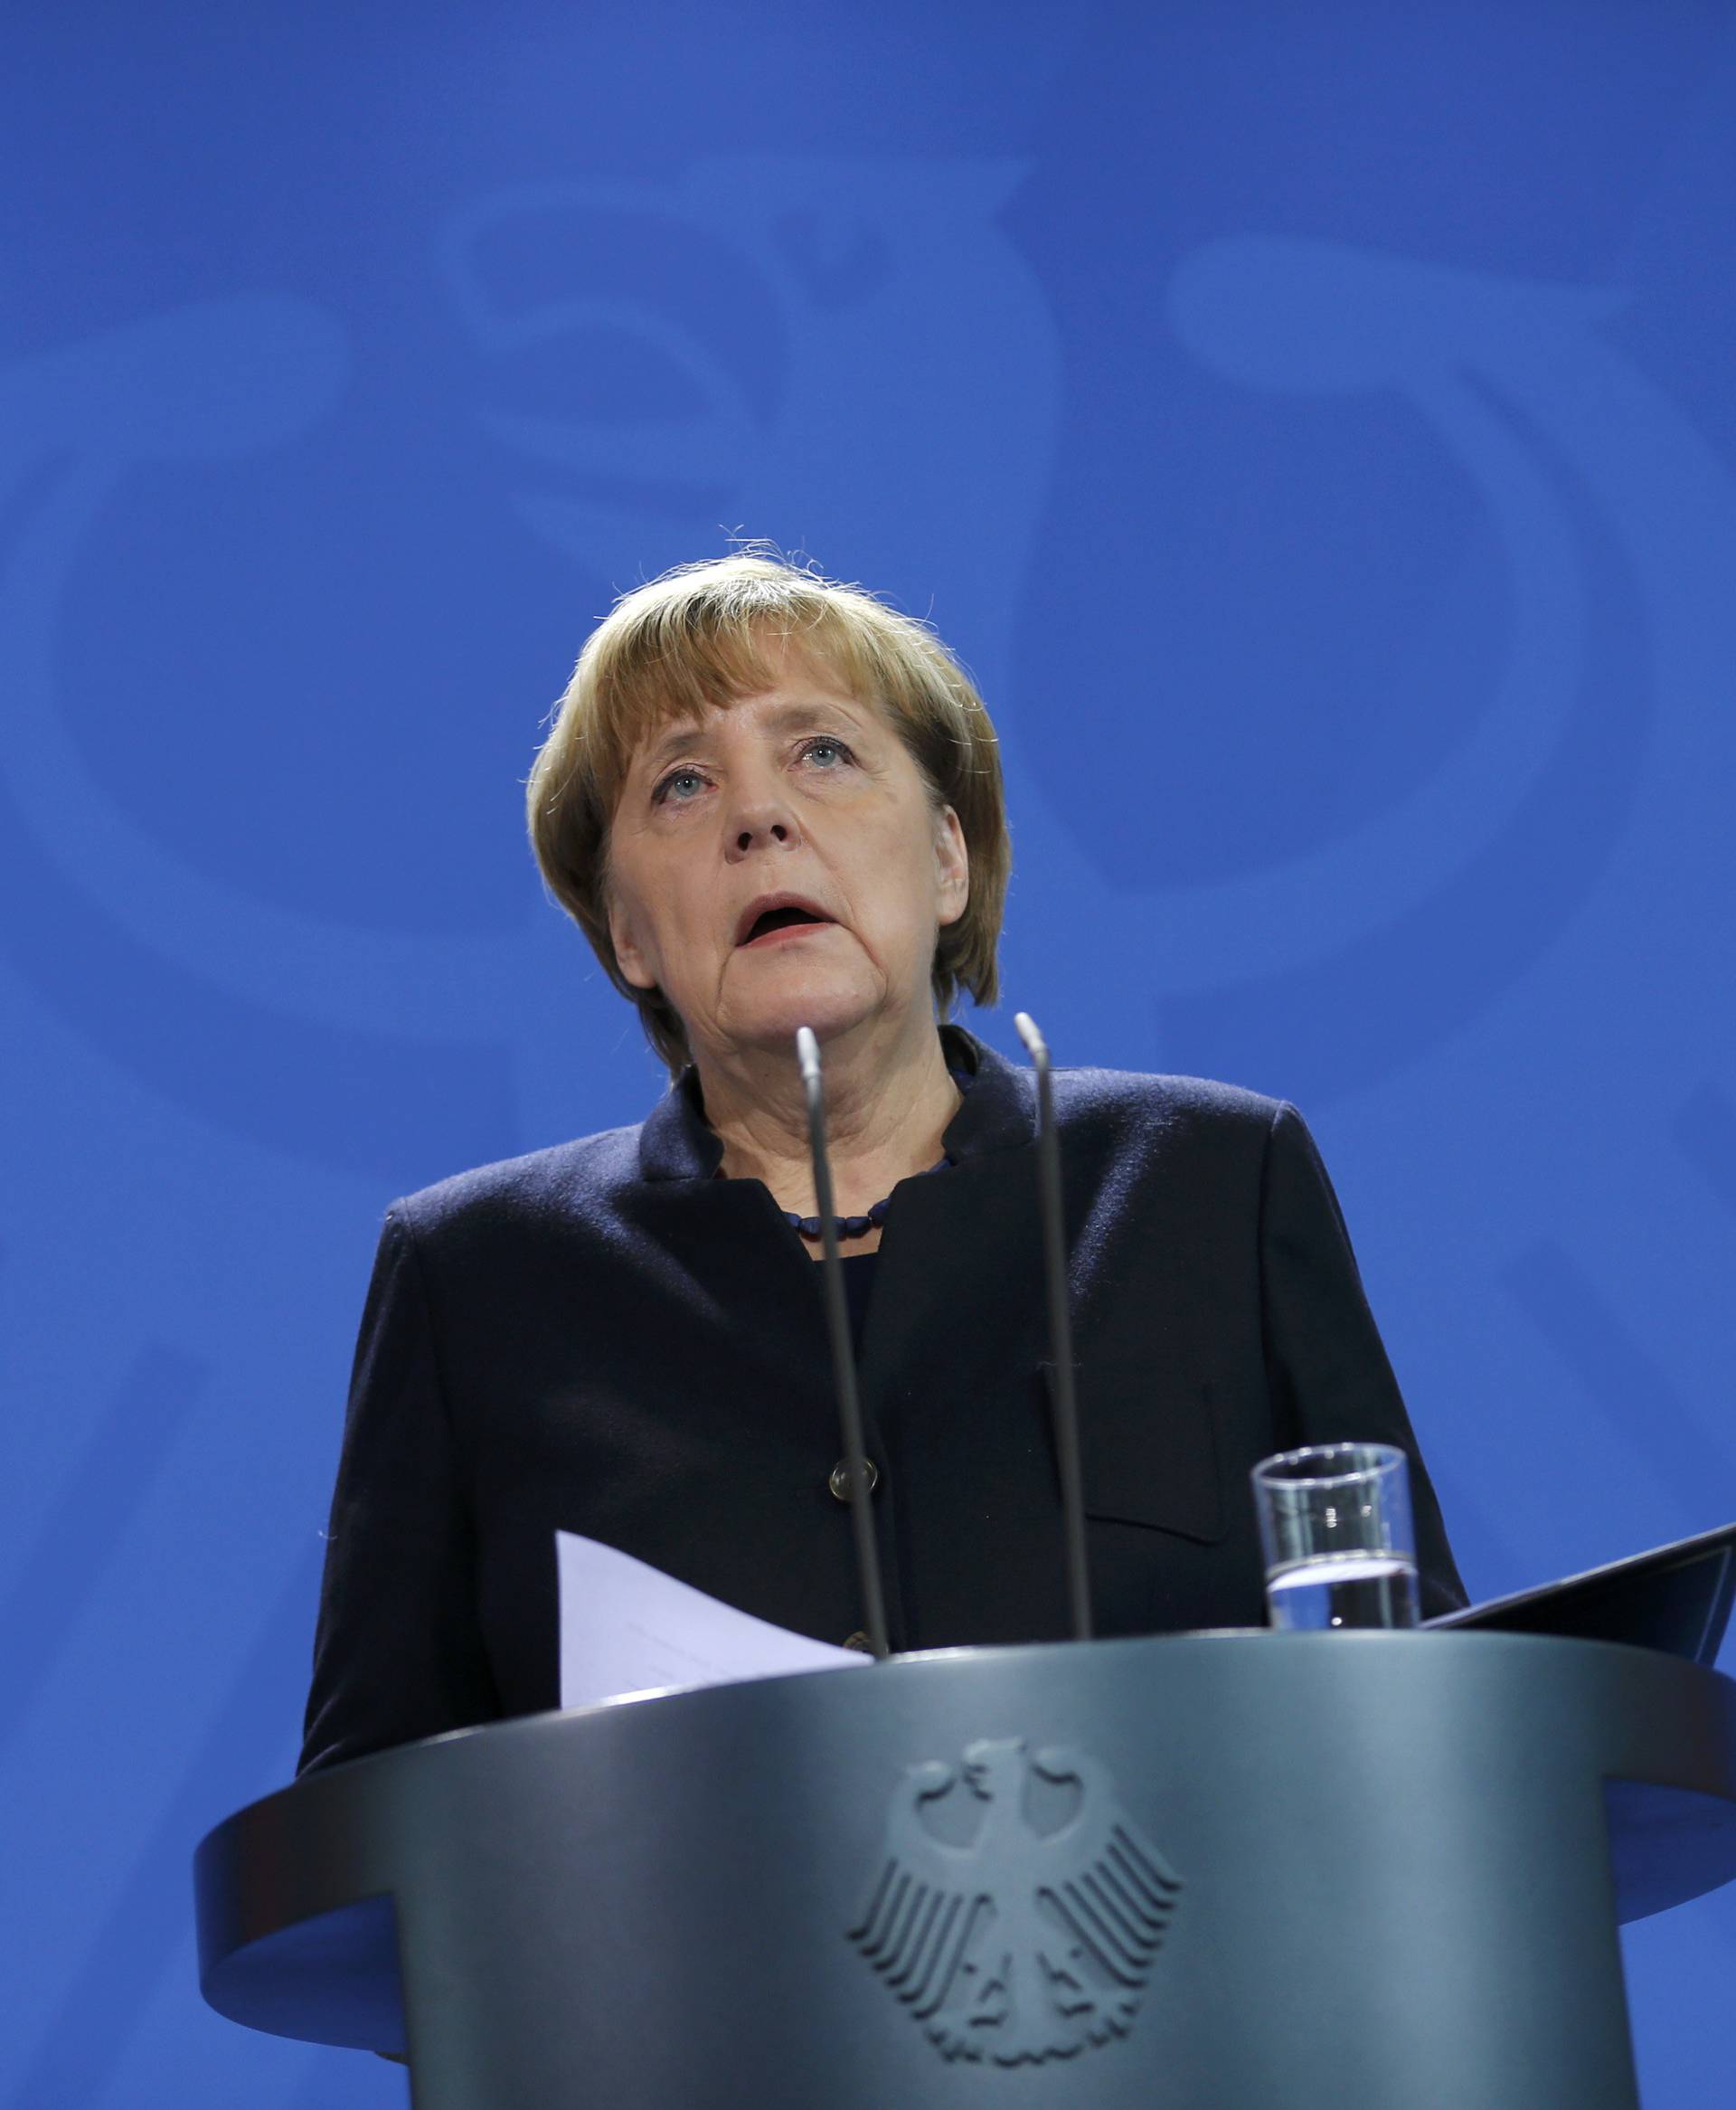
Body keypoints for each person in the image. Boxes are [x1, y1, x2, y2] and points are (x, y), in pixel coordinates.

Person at [298, 554, 1464, 1775]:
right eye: (683, 784)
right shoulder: (478, 1280)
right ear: (628, 932)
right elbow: (372, 1827)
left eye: (824, 754)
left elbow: (1430, 1699)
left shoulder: (1212, 1185)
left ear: (949, 857)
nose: (760, 817)